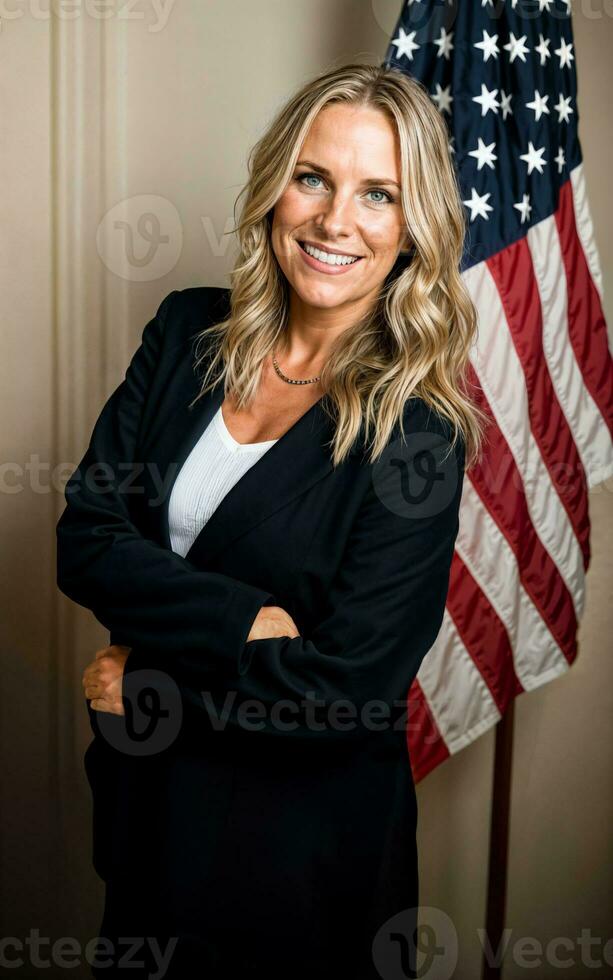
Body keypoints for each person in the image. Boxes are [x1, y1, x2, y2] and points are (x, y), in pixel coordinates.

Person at [56, 62, 486, 979]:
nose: (335, 222)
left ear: (413, 231)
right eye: (313, 178)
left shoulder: (418, 435)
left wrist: (152, 684)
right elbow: (86, 538)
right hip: (146, 829)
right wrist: (243, 622)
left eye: (379, 194)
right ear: (273, 186)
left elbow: (348, 692)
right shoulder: (185, 335)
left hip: (299, 869)